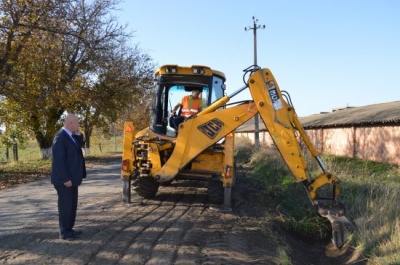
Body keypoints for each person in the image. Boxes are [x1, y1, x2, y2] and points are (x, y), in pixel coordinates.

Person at [51, 114, 86, 240]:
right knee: (65, 206)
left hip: (73, 179)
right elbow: (59, 161)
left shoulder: (70, 136)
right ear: (70, 123)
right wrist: (66, 179)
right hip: (64, 180)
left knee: (72, 205)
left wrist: (77, 133)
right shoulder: (60, 138)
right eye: (77, 123)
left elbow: (79, 145)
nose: (78, 125)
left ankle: (69, 229)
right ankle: (64, 233)